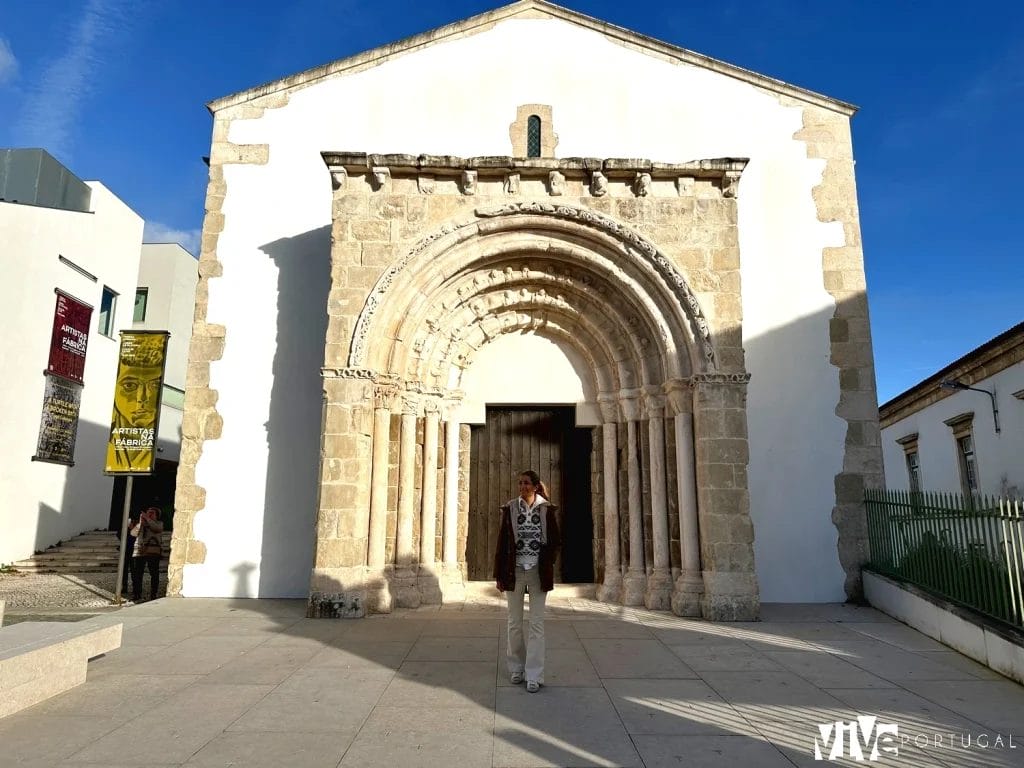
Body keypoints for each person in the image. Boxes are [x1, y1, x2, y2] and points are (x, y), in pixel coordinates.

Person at [494, 470, 561, 693]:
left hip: (537, 573)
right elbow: (502, 541)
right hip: (514, 571)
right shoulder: (511, 508)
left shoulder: (546, 509)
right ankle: (516, 668)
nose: (522, 486)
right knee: (514, 622)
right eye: (520, 483)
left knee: (537, 624)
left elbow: (554, 540)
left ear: (534, 486)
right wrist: (499, 574)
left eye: (526, 483)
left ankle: (534, 674)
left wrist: (547, 563)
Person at [105, 334, 165, 472]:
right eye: (130, 386)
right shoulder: (105, 440)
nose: (143, 398)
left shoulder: (156, 441)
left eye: (155, 385)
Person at [131, 506, 164, 601]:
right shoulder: (142, 524)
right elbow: (133, 533)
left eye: (152, 513)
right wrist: (140, 523)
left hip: (152, 552)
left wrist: (148, 519)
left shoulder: (158, 523)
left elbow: (156, 528)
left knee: (154, 573)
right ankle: (137, 594)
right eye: (148, 512)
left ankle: (154, 593)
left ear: (157, 516)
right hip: (140, 551)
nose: (149, 514)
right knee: (137, 574)